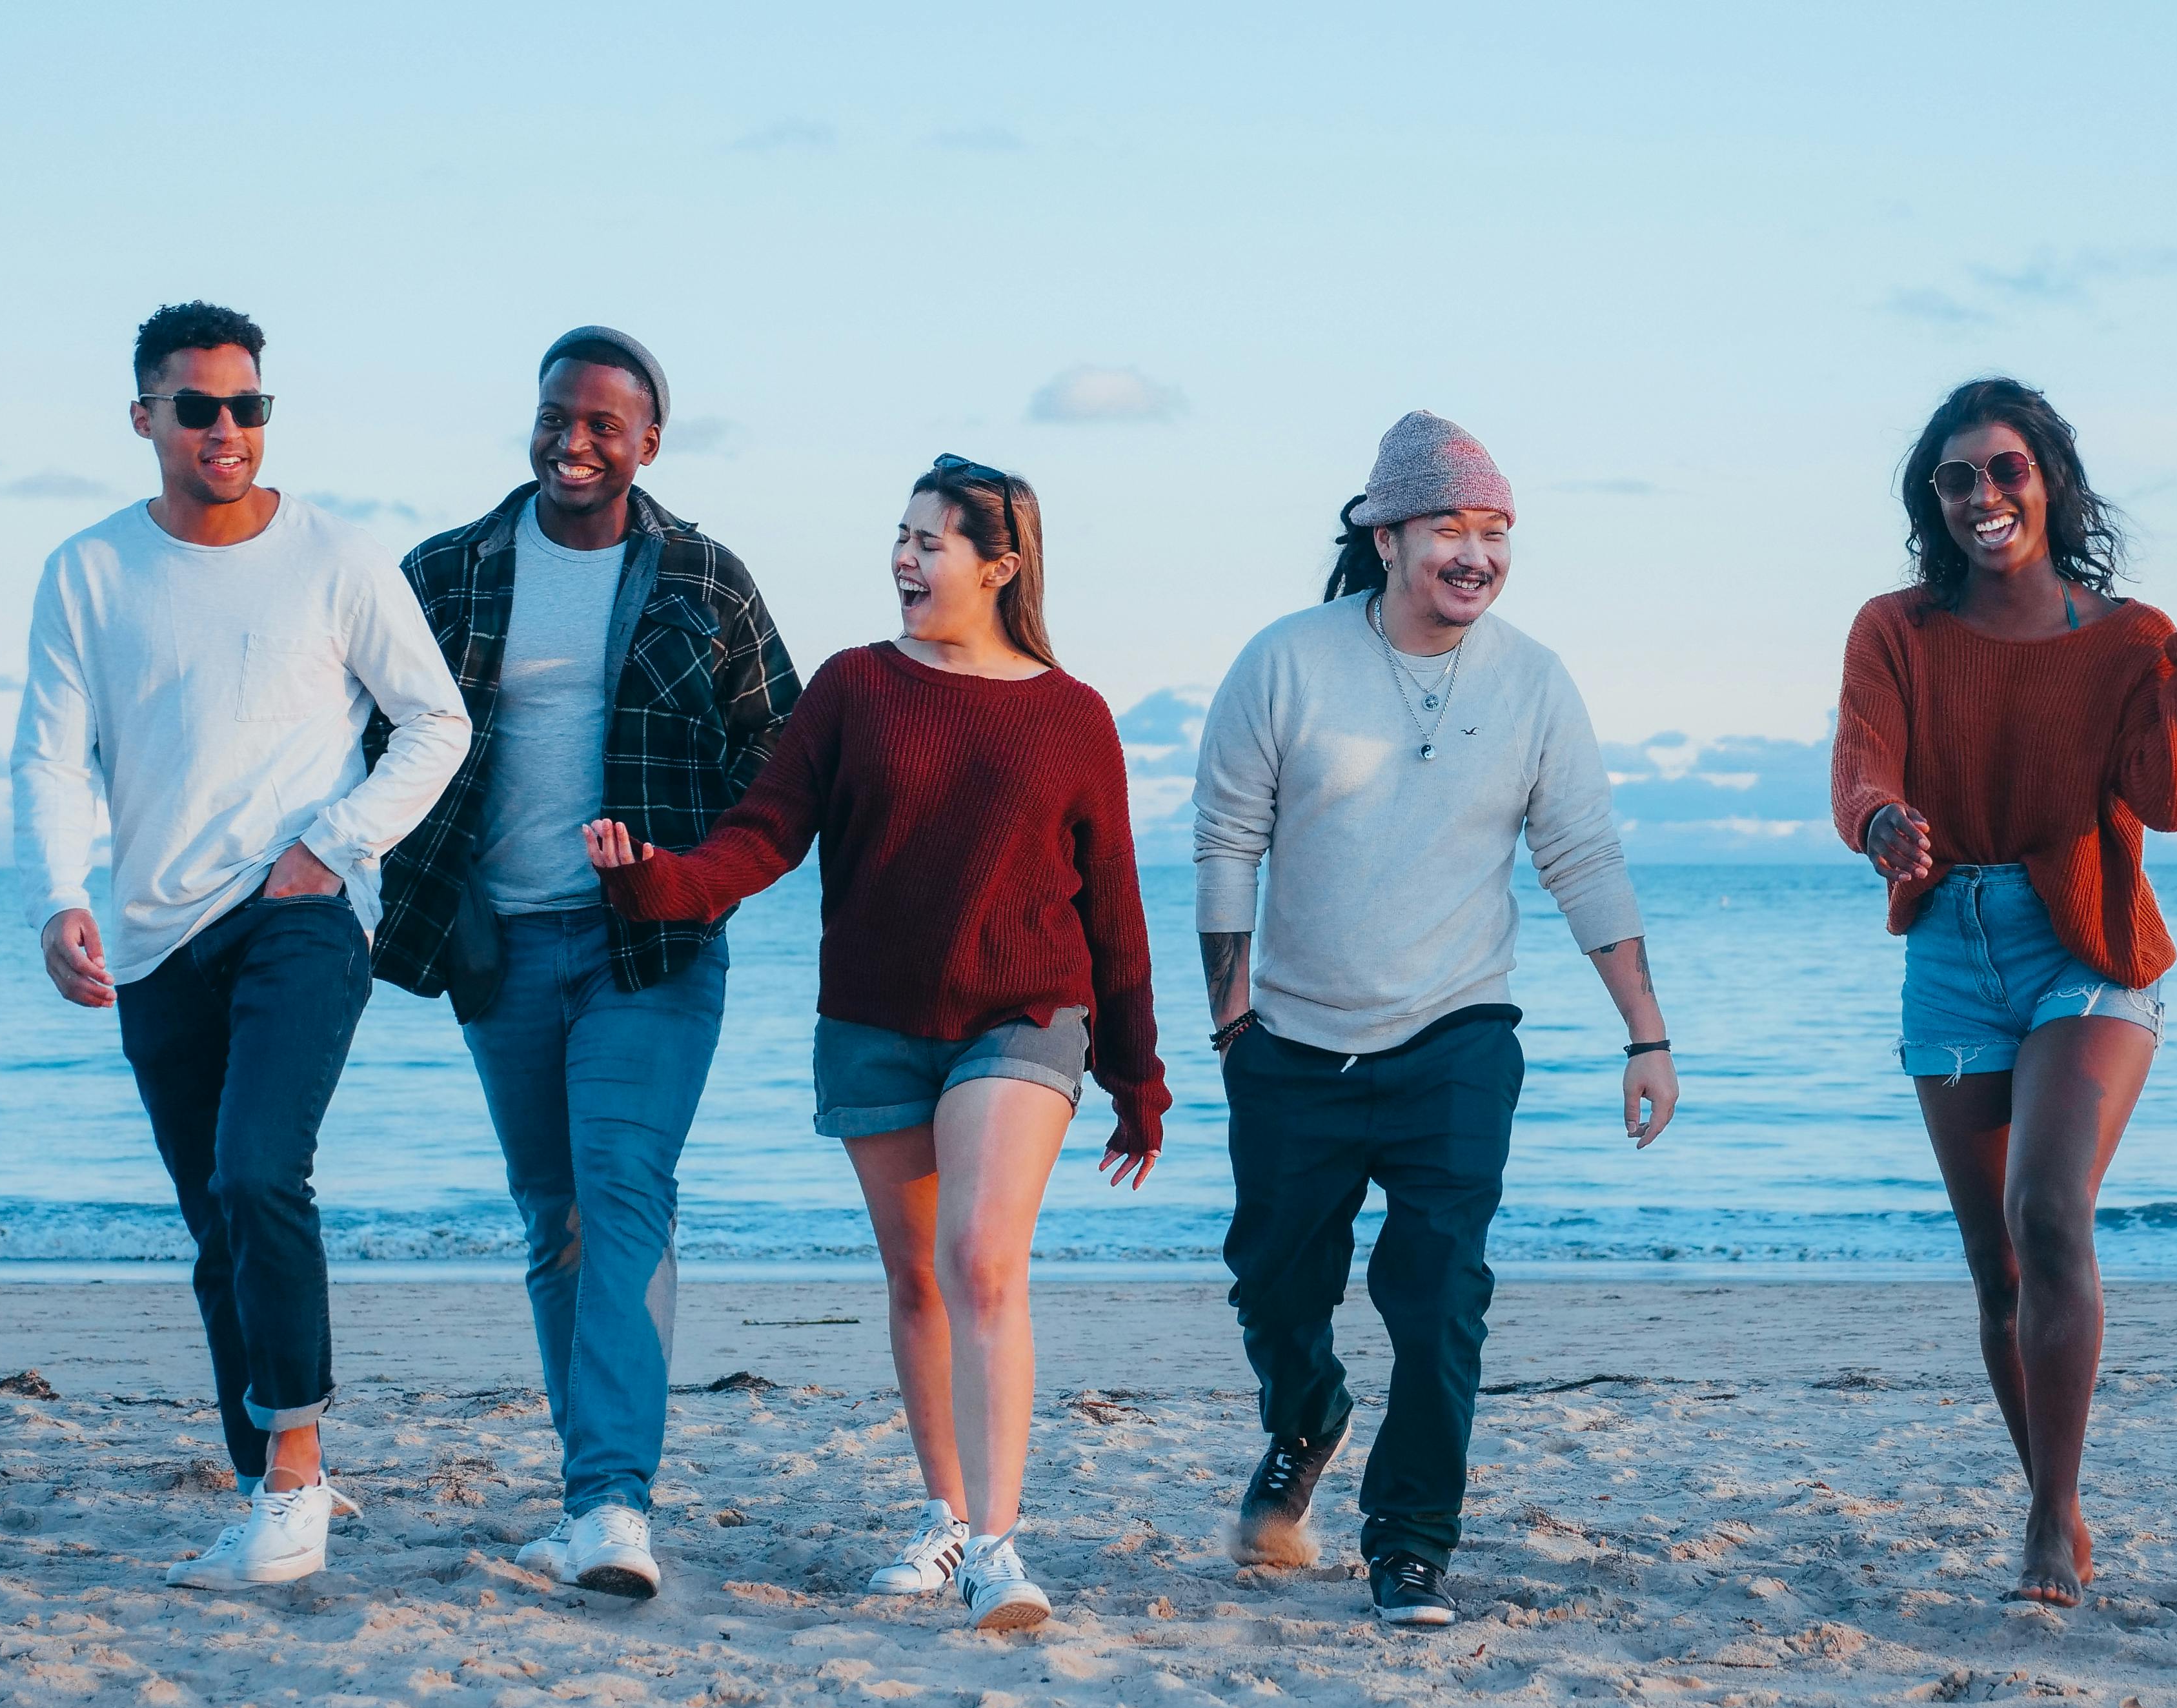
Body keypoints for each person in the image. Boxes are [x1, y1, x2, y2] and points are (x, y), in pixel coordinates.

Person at [589, 456, 1165, 1632]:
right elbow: (762, 838)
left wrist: (1136, 1076)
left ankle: (1002, 1548)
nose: (905, 559)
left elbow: (1113, 902)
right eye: (899, 537)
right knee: (917, 1281)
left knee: (981, 1264)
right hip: (872, 1025)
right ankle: (946, 1520)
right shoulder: (853, 688)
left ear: (1001, 567)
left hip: (1024, 1014)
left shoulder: (1072, 714)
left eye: (932, 542)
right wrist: (658, 882)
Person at [1194, 411, 1680, 1629]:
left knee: (1440, 1292)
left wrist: (1646, 1034)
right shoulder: (1287, 661)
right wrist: (1231, 1021)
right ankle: (1306, 1419)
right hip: (1293, 1043)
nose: (1477, 554)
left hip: (1459, 1034)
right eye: (1452, 529)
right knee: (1273, 1283)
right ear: (1387, 534)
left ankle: (1410, 1541)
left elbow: (1582, 856)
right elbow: (1226, 843)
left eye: (1497, 532)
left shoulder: (1533, 681)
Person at [12, 301, 469, 1588]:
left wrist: (334, 842)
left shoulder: (334, 557)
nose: (227, 429)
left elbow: (434, 720)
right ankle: (275, 1469)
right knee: (218, 1218)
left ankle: (294, 1479)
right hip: (157, 939)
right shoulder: (88, 571)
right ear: (145, 417)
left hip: (297, 916)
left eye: (247, 406)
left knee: (262, 1170)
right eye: (199, 407)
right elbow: (49, 755)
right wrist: (56, 896)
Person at [372, 328, 800, 1599]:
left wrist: (684, 866)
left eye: (603, 424)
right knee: (553, 1222)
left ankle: (612, 1503)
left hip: (649, 946)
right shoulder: (443, 573)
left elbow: (775, 758)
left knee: (621, 1197)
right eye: (557, 415)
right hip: (497, 949)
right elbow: (361, 737)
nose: (573, 440)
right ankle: (590, 1492)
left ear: (647, 442)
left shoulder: (703, 579)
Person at [1828, 376, 2177, 1608]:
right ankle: (2052, 1498)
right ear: (1935, 502)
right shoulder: (1895, 629)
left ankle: (2049, 1532)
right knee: (1998, 1268)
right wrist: (1885, 823)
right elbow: (1863, 761)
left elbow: (2172, 799)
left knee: (2049, 1209)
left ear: (2048, 479)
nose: (1983, 496)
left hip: (2089, 946)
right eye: (1956, 479)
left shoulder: (2125, 637)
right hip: (1952, 949)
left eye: (2005, 469)